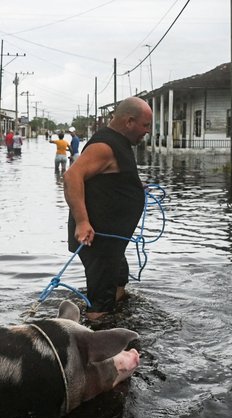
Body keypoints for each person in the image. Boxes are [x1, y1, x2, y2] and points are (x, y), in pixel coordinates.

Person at [63, 96, 153, 320]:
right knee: (100, 300)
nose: (147, 131)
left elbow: (107, 176)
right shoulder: (105, 146)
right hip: (97, 239)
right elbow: (72, 176)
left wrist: (131, 185)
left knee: (120, 279)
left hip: (112, 241)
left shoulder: (118, 142)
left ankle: (117, 320)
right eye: (145, 125)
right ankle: (97, 341)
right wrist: (82, 222)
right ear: (129, 122)